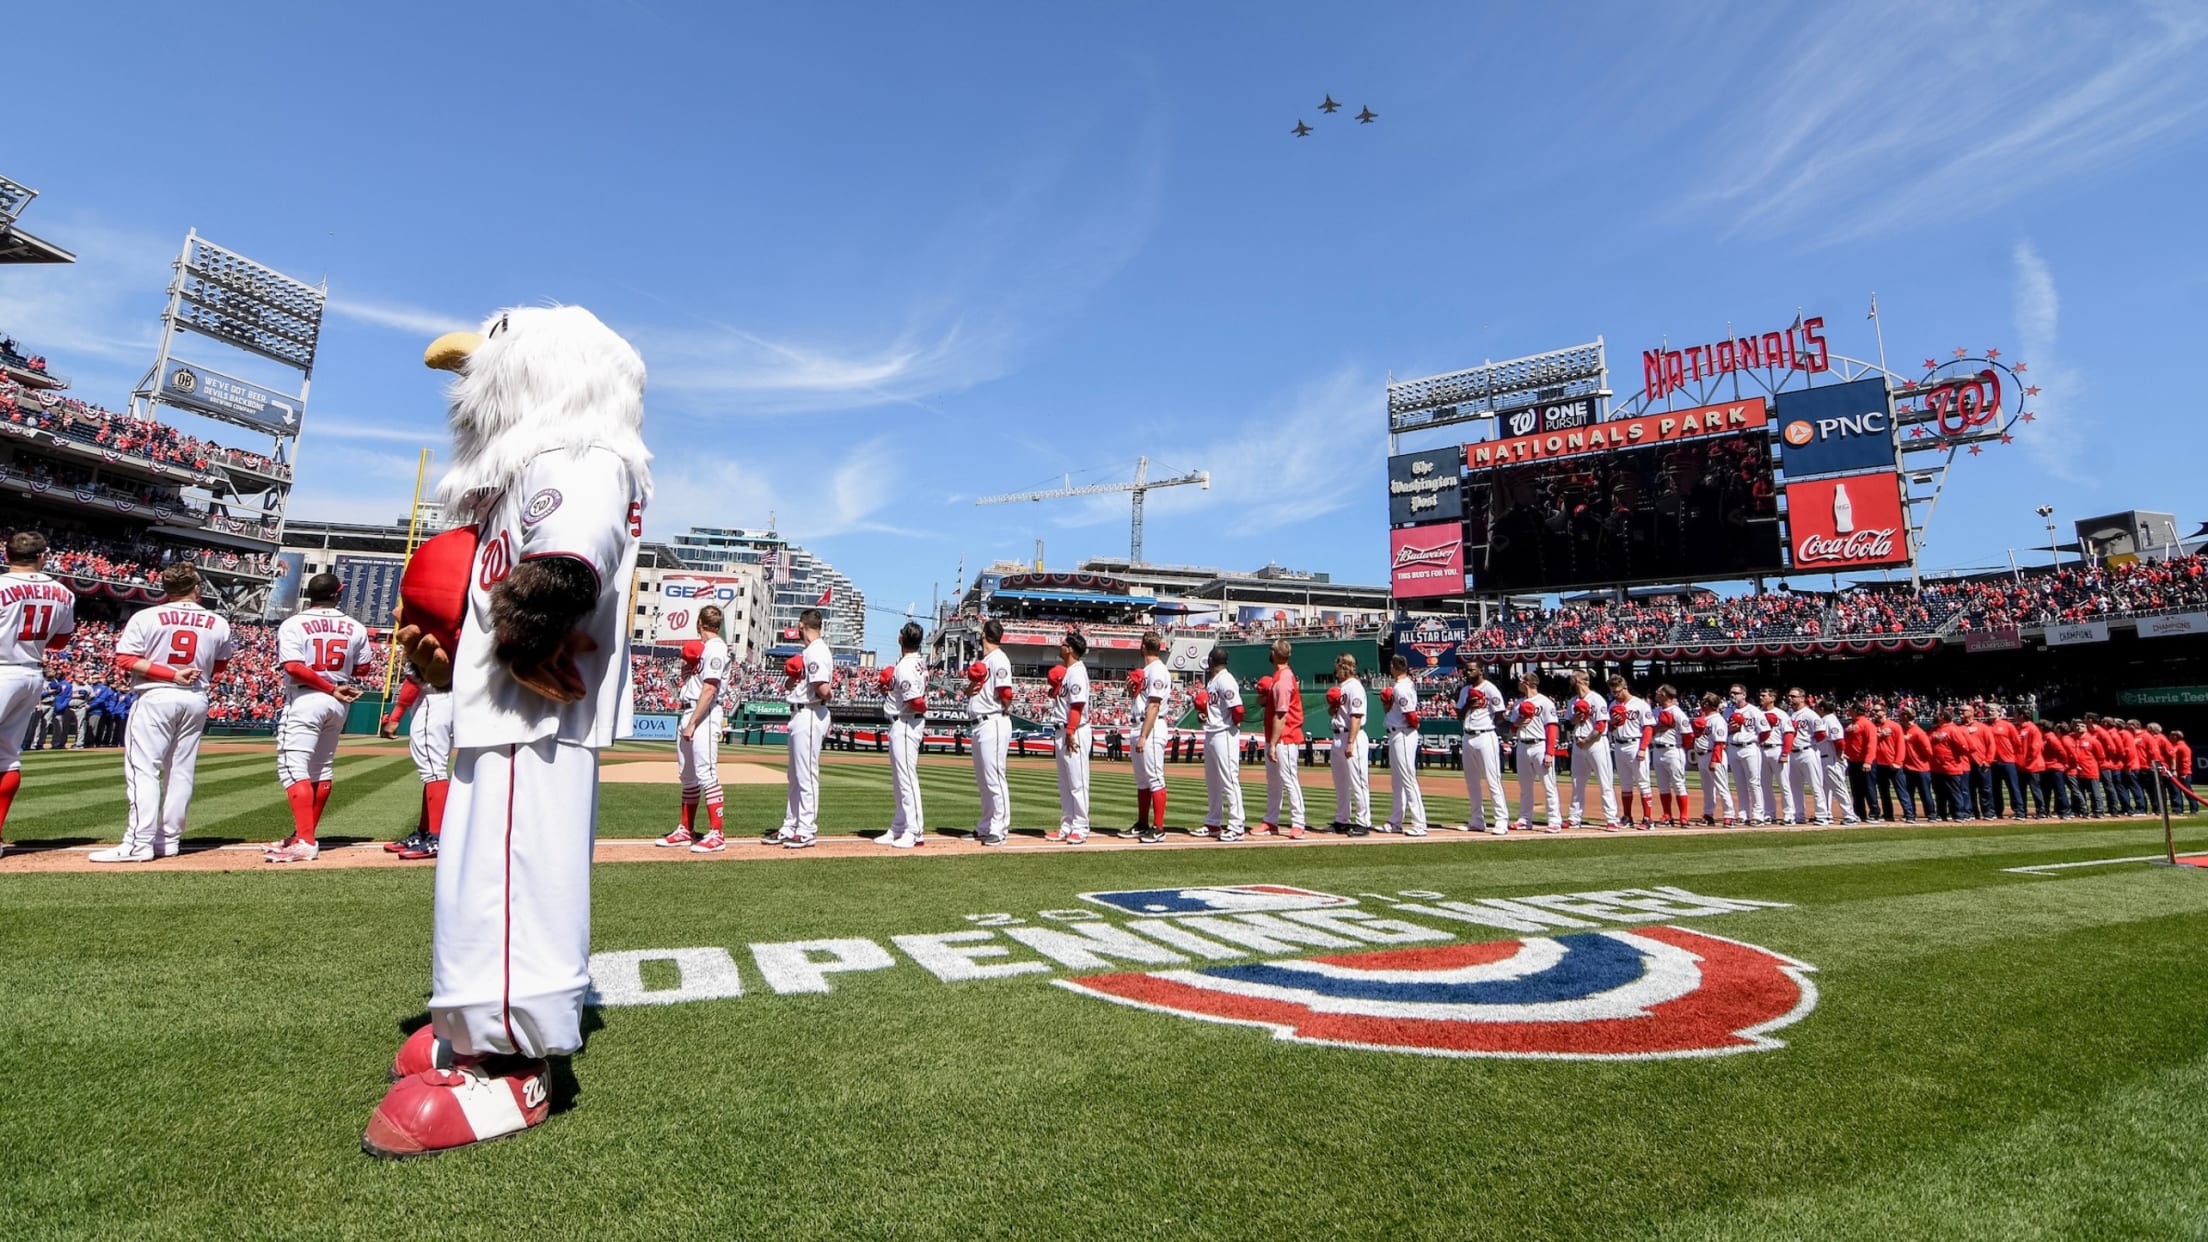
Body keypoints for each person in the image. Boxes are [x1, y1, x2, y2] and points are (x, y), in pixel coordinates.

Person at [367, 304, 651, 1157]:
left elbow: (570, 557)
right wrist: (457, 661)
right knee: (473, 876)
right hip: (500, 710)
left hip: (541, 711)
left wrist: (523, 637)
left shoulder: (582, 453)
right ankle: (470, 1022)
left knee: (510, 881)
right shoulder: (519, 471)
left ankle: (513, 1069)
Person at [92, 563, 230, 862]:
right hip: (195, 697)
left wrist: (169, 674)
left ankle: (138, 843)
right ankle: (168, 841)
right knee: (181, 771)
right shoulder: (217, 621)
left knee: (144, 769)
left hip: (155, 694)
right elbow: (219, 666)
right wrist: (185, 674)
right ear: (197, 589)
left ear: (165, 589)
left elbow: (126, 660)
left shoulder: (146, 616)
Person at [265, 573, 371, 864]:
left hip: (307, 697)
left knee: (292, 768)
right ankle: (303, 835)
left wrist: (328, 685)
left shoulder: (294, 623)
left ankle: (306, 840)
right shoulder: (355, 626)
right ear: (339, 592)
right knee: (320, 768)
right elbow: (362, 670)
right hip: (338, 702)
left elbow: (294, 667)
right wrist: (335, 684)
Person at [0, 531, 75, 856]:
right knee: (7, 757)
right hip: (30, 673)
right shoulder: (62, 592)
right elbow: (59, 642)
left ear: (7, 555)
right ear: (43, 556)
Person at [658, 605, 729, 851]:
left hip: (705, 714)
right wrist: (687, 673)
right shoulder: (703, 649)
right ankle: (686, 830)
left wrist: (692, 723)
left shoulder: (717, 648)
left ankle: (717, 834)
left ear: (700, 623)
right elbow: (697, 682)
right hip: (691, 708)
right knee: (687, 776)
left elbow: (709, 689)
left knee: (706, 774)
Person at [774, 608, 836, 848]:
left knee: (806, 774)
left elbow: (823, 690)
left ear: (802, 626)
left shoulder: (817, 651)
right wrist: (793, 677)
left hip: (810, 712)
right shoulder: (810, 651)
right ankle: (791, 825)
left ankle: (807, 829)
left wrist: (830, 693)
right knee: (795, 775)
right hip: (801, 712)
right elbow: (795, 685)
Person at [381, 663, 455, 860]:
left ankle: (437, 837)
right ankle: (424, 831)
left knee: (433, 771)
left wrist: (395, 717)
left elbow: (414, 678)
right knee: (433, 770)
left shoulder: (430, 635)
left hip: (433, 699)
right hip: (455, 699)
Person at [966, 617, 1015, 846]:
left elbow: (1006, 693)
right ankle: (985, 826)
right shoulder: (985, 660)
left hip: (994, 721)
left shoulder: (999, 658)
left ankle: (1000, 828)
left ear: (984, 635)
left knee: (995, 777)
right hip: (980, 723)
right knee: (984, 780)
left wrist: (1003, 709)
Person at [884, 621, 930, 848]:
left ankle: (914, 830)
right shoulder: (916, 662)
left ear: (901, 639)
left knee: (906, 779)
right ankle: (899, 826)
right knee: (899, 780)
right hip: (903, 723)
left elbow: (917, 702)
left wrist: (919, 707)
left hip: (906, 723)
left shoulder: (906, 666)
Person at [1256, 640, 1306, 838]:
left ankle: (1298, 822)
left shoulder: (1284, 678)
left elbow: (1281, 715)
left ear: (1276, 654)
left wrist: (1274, 744)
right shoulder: (1279, 676)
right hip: (1277, 736)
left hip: (1286, 737)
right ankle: (1271, 821)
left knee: (1289, 779)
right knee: (1274, 781)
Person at [1128, 632, 1173, 843]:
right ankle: (1142, 823)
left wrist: (1144, 735)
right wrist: (1133, 693)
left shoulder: (1158, 670)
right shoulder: (1146, 670)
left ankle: (1159, 828)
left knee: (1155, 778)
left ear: (1143, 647)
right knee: (1142, 781)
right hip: (1139, 724)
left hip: (1152, 727)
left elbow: (1154, 704)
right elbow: (1144, 700)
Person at [1197, 646, 1246, 841]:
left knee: (1229, 780)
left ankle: (1237, 825)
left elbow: (1239, 710)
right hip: (1212, 731)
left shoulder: (1225, 679)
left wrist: (1230, 724)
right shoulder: (1215, 681)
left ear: (1211, 661)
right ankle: (1213, 823)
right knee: (1213, 782)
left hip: (1224, 733)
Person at [1048, 631, 1091, 844]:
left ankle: (1081, 827)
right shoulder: (1068, 672)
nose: (1061, 646)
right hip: (1062, 729)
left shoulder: (1077, 672)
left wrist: (1071, 731)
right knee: (1065, 783)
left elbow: (1078, 705)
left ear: (1071, 650)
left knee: (1077, 782)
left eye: (1064, 644)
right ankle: (1067, 825)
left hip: (1075, 730)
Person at [1563, 669, 1618, 831]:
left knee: (1605, 781)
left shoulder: (1597, 699)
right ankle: (1574, 818)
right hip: (1578, 744)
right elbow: (1567, 724)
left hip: (1596, 744)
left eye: (1573, 678)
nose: (1570, 680)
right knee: (1577, 783)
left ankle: (1612, 819)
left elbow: (1601, 725)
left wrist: (1586, 740)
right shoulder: (1572, 701)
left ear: (1580, 681)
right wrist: (1574, 719)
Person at [1457, 665, 1508, 835]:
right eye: (1466, 670)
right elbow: (1459, 714)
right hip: (1467, 735)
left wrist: (1489, 724)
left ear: (1480, 671)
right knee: (1472, 782)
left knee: (1493, 780)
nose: (1467, 672)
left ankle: (1501, 820)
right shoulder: (1465, 690)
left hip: (1485, 735)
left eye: (1471, 670)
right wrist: (1469, 705)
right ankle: (1477, 820)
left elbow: (1501, 713)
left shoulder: (1490, 689)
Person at [1380, 654, 1426, 835]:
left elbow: (1411, 716)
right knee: (1397, 781)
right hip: (1397, 733)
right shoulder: (1403, 685)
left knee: (1408, 779)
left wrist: (1414, 726)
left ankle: (1419, 824)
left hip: (1404, 734)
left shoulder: (1401, 688)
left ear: (1394, 666)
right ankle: (1395, 821)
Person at [1327, 654, 1372, 836]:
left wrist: (1351, 742)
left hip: (1352, 736)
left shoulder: (1355, 687)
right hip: (1338, 735)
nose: (1335, 671)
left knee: (1358, 781)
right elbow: (1335, 713)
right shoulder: (1341, 687)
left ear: (1344, 667)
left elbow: (1356, 716)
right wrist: (1333, 706)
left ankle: (1363, 822)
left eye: (1337, 667)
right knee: (1341, 783)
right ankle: (1342, 820)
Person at [1510, 671, 1561, 833]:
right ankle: (1525, 819)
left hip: (1540, 745)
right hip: (1522, 745)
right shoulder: (1518, 703)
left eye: (1520, 680)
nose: (1518, 683)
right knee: (1525, 787)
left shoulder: (1545, 702)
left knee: (1548, 785)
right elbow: (1512, 729)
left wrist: (1549, 752)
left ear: (1526, 682)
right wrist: (1518, 722)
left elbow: (1552, 727)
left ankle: (1554, 820)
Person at [1607, 675, 1653, 829]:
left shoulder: (1640, 704)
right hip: (1619, 745)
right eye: (1613, 692)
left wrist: (1643, 748)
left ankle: (1648, 819)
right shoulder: (1613, 704)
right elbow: (1610, 728)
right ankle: (1627, 817)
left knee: (1643, 782)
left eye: (1617, 691)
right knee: (1625, 784)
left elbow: (1648, 728)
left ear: (1625, 687)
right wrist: (1611, 724)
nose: (1615, 694)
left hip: (1635, 744)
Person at [1647, 685, 1689, 830]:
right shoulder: (1656, 711)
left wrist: (1682, 748)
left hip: (1673, 749)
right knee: (1663, 786)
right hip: (1658, 750)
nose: (1656, 694)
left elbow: (1688, 734)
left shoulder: (1677, 713)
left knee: (1678, 784)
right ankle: (1667, 815)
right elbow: (1648, 730)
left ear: (1665, 695)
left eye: (1658, 692)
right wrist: (1659, 727)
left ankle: (1683, 816)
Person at [1783, 688, 1826, 826]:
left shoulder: (1810, 714)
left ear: (1802, 698)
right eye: (1789, 696)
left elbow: (1821, 734)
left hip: (1808, 752)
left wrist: (1811, 744)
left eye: (1793, 696)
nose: (1790, 698)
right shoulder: (1790, 714)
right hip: (1793, 754)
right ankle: (1799, 815)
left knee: (1815, 785)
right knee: (1795, 787)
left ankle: (1822, 815)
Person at [1725, 685, 1765, 827]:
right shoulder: (1728, 711)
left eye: (1736, 692)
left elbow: (1765, 731)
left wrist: (1757, 742)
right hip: (1733, 747)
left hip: (1749, 747)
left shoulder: (1754, 711)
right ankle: (1743, 813)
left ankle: (1758, 814)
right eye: (1731, 692)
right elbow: (1724, 730)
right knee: (1739, 783)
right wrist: (1731, 729)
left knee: (1754, 782)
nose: (1733, 695)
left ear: (1744, 694)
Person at [1930, 707, 1974, 821]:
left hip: (1950, 766)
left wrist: (1951, 757)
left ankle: (1958, 814)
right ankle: (1941, 813)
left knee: (1954, 791)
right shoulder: (1935, 729)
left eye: (1938, 715)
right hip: (1936, 767)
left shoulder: (1953, 729)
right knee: (1939, 792)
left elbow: (1964, 747)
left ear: (1943, 717)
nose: (1935, 716)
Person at [1695, 691, 1732, 826]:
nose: (1701, 704)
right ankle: (1708, 814)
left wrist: (1715, 760)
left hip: (1714, 755)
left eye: (1704, 702)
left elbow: (1720, 742)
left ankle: (1729, 815)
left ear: (1709, 704)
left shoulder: (1718, 720)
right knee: (1707, 789)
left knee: (1722, 787)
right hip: (1702, 755)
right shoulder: (1706, 719)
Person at [1757, 688, 1793, 824]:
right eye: (1760, 695)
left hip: (1776, 749)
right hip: (1760, 750)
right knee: (1764, 785)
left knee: (1784, 784)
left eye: (1763, 695)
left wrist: (1785, 753)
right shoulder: (1757, 713)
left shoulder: (1781, 714)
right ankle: (1769, 813)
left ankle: (1789, 814)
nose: (1761, 697)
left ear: (1772, 698)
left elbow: (1789, 734)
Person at [1872, 703, 1909, 822]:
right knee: (1883, 792)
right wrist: (1879, 735)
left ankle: (1909, 814)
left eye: (1877, 710)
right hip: (1879, 764)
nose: (1874, 713)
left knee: (1901, 790)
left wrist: (1898, 761)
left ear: (1884, 712)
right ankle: (1888, 814)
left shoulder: (1894, 726)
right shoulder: (1872, 726)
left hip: (1893, 763)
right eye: (1873, 711)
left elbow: (1901, 746)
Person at [1899, 705, 1935, 820]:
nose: (1899, 716)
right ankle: (1910, 814)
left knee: (1925, 793)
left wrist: (1921, 760)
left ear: (1907, 716)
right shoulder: (1902, 730)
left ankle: (1931, 814)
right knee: (1908, 793)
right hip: (1907, 767)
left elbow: (1928, 751)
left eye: (1902, 714)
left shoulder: (1918, 732)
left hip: (1921, 768)